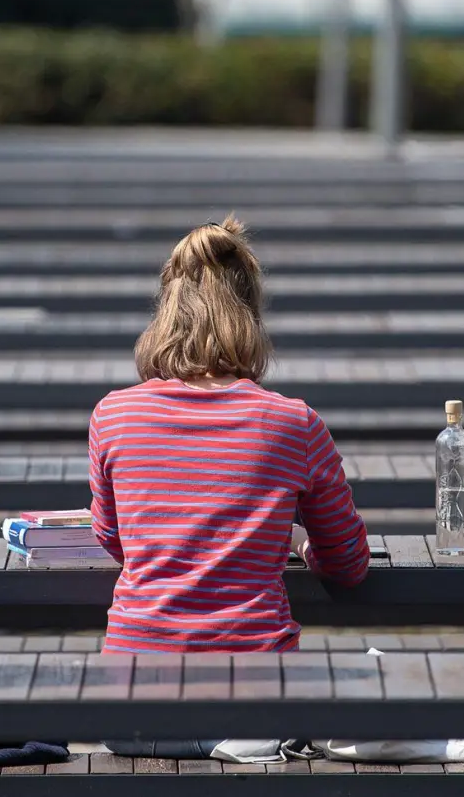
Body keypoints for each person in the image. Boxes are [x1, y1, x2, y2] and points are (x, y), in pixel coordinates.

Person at [87, 215, 371, 655]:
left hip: (136, 673)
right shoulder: (295, 424)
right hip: (257, 678)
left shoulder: (113, 415)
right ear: (250, 315)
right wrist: (296, 543)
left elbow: (113, 538)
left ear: (167, 311)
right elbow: (348, 563)